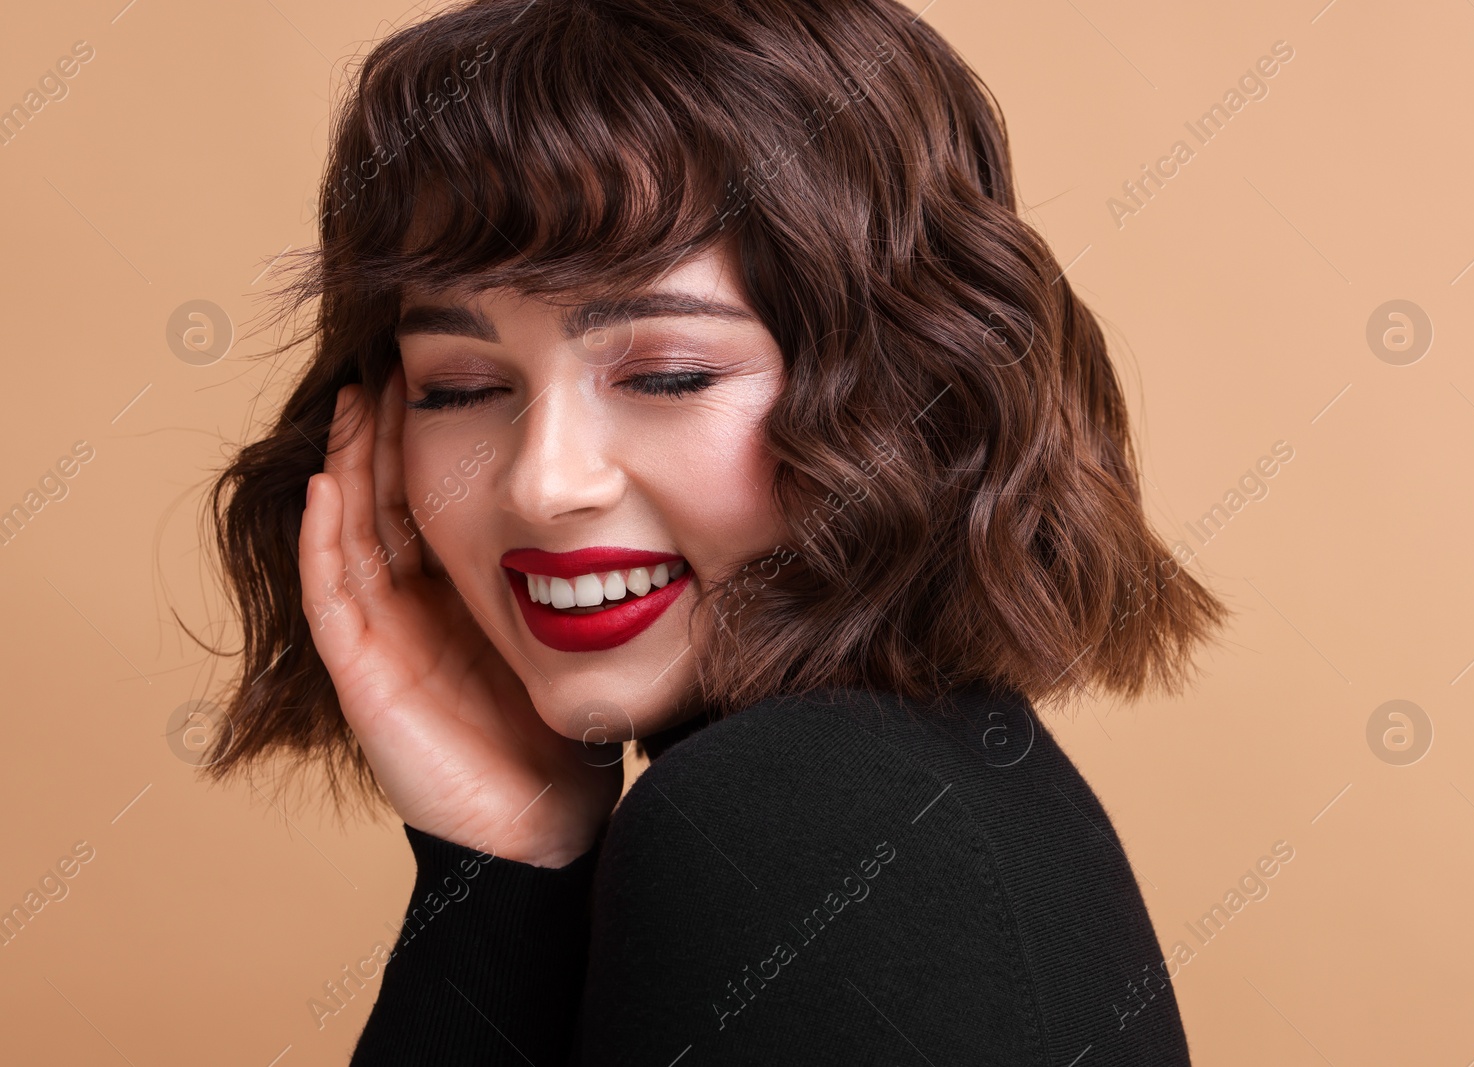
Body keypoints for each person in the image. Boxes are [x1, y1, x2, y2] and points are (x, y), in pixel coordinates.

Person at [202, 0, 1227, 1061]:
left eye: (668, 374)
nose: (543, 483)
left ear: (908, 386)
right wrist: (499, 870)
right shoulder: (913, 788)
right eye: (459, 386)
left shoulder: (797, 818)